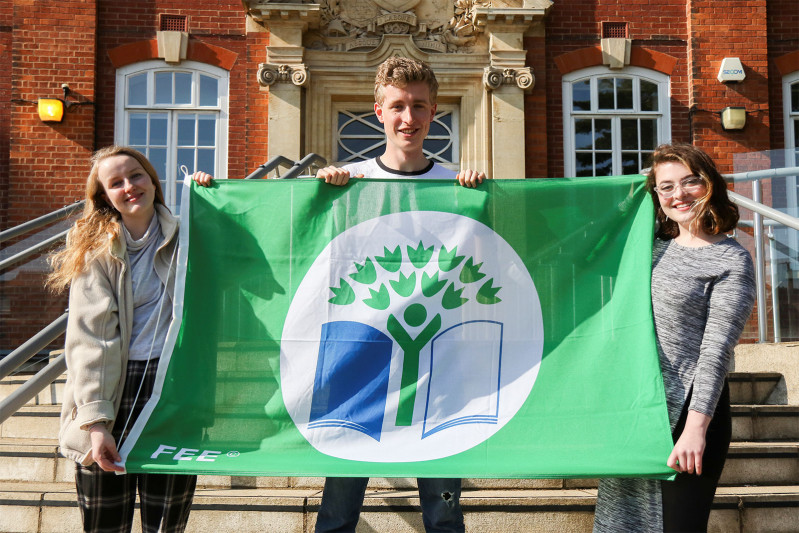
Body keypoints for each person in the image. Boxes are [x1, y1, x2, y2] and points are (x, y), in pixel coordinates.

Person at [314, 56, 486, 533]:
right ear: (379, 111)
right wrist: (323, 197)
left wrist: (479, 199)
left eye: (418, 107)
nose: (408, 118)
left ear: (433, 113)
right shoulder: (350, 182)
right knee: (338, 507)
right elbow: (308, 252)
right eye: (397, 107)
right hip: (359, 362)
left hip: (439, 362)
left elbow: (494, 258)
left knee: (445, 509)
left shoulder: (456, 185)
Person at [593, 143, 756, 533]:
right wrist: (473, 188)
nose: (678, 195)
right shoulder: (646, 251)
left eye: (690, 182)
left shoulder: (731, 260)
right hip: (637, 409)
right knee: (622, 526)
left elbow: (715, 351)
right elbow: (573, 246)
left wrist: (695, 429)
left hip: (690, 413)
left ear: (710, 186)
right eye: (665, 187)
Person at [48, 145, 212, 533]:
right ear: (105, 197)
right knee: (105, 523)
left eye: (136, 175)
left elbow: (254, 245)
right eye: (116, 183)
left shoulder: (191, 232)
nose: (129, 187)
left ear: (153, 181)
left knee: (165, 522)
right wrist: (97, 422)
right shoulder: (96, 252)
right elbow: (91, 340)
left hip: (173, 389)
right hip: (112, 388)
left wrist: (211, 199)